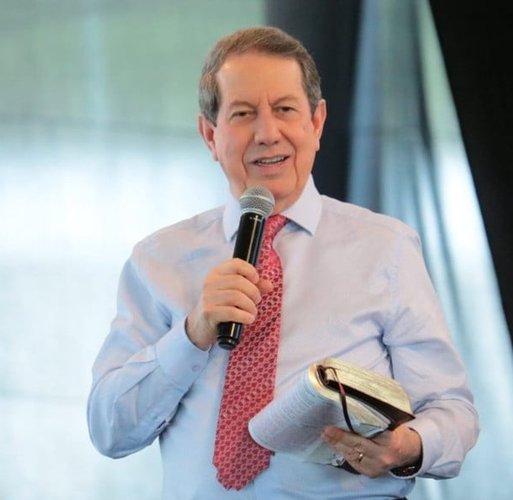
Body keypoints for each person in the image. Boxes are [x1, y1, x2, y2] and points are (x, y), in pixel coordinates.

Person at [86, 25, 479, 499]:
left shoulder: (386, 248)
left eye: (285, 109)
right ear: (210, 134)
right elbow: (109, 430)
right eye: (244, 113)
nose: (267, 133)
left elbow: (451, 410)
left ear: (316, 122)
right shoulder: (159, 259)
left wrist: (404, 447)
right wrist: (191, 335)